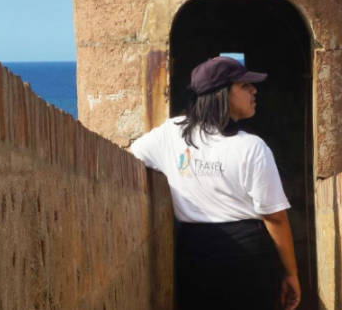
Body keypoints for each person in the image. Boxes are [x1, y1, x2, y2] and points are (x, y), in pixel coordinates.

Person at [129, 56, 300, 310]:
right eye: (244, 85)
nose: (254, 90)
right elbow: (275, 218)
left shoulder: (171, 133)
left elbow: (132, 155)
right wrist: (291, 274)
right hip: (248, 257)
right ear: (222, 93)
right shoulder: (252, 147)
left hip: (195, 254)